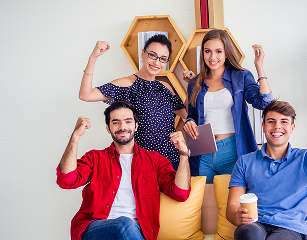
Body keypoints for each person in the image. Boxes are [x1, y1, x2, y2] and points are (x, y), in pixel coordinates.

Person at [56, 101, 191, 240]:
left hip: (136, 232)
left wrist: (184, 153)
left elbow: (181, 194)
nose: (122, 127)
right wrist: (75, 137)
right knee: (123, 224)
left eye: (128, 121)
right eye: (116, 122)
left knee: (126, 226)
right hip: (95, 228)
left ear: (136, 125)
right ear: (108, 128)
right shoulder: (95, 157)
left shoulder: (155, 160)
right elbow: (67, 180)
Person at [226, 100, 307, 240]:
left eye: (284, 121)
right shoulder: (244, 162)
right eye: (271, 121)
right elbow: (232, 205)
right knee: (247, 234)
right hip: (255, 224)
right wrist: (236, 216)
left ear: (292, 128)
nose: (277, 126)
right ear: (263, 126)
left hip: (290, 227)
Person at [78, 34, 187, 170]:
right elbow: (85, 95)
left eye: (163, 59)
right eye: (152, 55)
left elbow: (187, 114)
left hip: (171, 161)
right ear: (143, 54)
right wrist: (93, 58)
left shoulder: (165, 87)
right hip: (142, 163)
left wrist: (192, 86)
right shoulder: (127, 84)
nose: (157, 62)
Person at [182, 29, 273, 182]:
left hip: (232, 150)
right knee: (205, 202)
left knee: (234, 202)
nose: (212, 57)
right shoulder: (194, 83)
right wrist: (189, 121)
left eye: (218, 51)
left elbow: (264, 102)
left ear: (226, 53)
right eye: (207, 51)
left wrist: (259, 67)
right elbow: (191, 115)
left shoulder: (240, 76)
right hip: (202, 151)